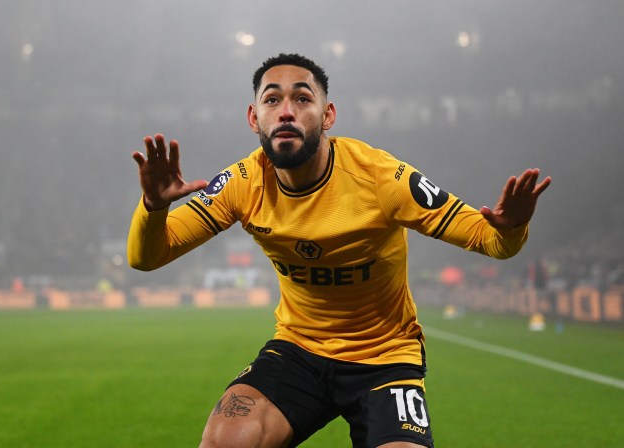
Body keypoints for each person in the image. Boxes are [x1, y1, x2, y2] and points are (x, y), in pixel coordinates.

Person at [127, 53, 551, 448]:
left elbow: (490, 240)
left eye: (302, 98)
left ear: (328, 115)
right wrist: (154, 207)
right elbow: (147, 257)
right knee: (225, 440)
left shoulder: (382, 178)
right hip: (299, 350)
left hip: (385, 357)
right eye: (272, 99)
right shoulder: (242, 182)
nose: (287, 110)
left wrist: (512, 226)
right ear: (254, 117)